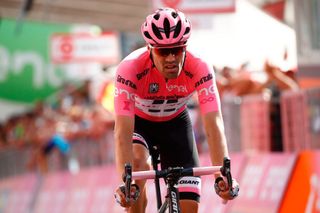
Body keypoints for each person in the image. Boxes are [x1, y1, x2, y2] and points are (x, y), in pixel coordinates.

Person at [113, 8, 239, 213]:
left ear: (185, 47)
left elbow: (214, 125)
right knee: (137, 165)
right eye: (163, 51)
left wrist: (222, 177)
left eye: (178, 49)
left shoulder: (200, 66)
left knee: (189, 208)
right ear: (150, 49)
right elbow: (122, 133)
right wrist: (126, 185)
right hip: (140, 124)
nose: (171, 58)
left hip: (176, 124)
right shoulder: (129, 68)